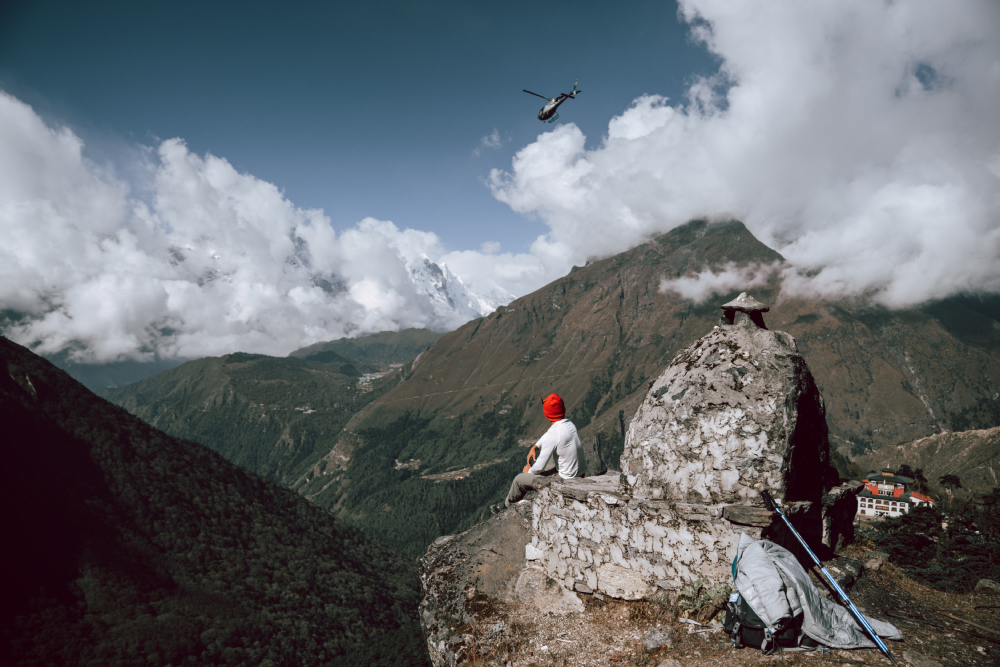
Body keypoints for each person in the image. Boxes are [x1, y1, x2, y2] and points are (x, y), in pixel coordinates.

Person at [491, 393, 586, 514]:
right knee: (550, 460)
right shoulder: (569, 424)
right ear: (563, 409)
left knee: (519, 480)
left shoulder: (553, 434)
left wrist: (528, 472)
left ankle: (505, 507)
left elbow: (540, 466)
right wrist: (535, 446)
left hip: (566, 482)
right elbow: (549, 436)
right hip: (580, 475)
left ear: (546, 414)